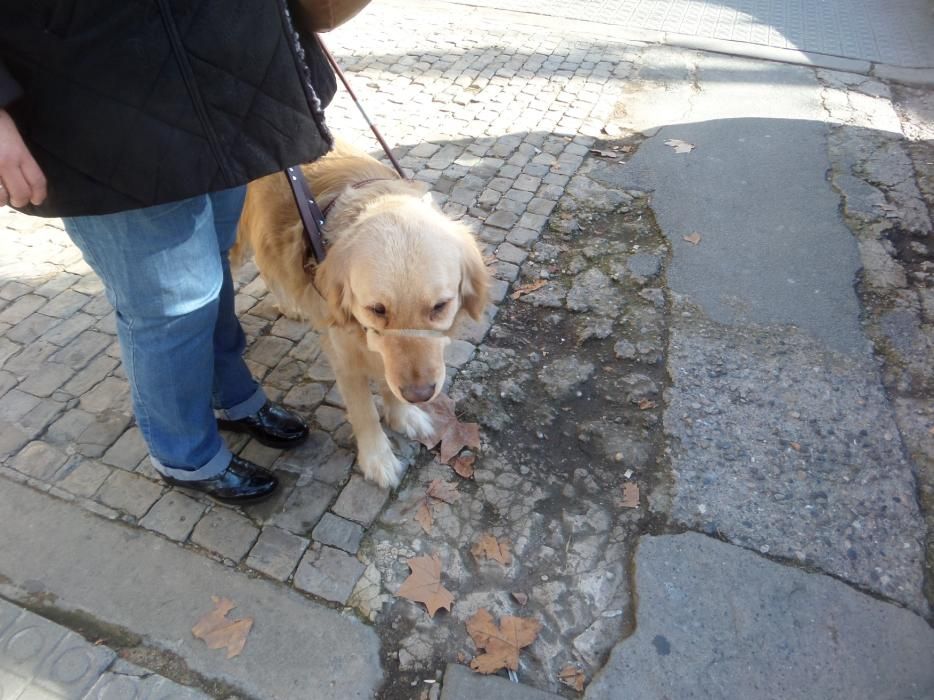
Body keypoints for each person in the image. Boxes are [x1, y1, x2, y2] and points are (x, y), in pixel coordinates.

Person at [0, 1, 337, 504]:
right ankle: (186, 455)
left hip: (225, 78)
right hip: (84, 92)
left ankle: (230, 395)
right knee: (169, 304)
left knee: (211, 267)